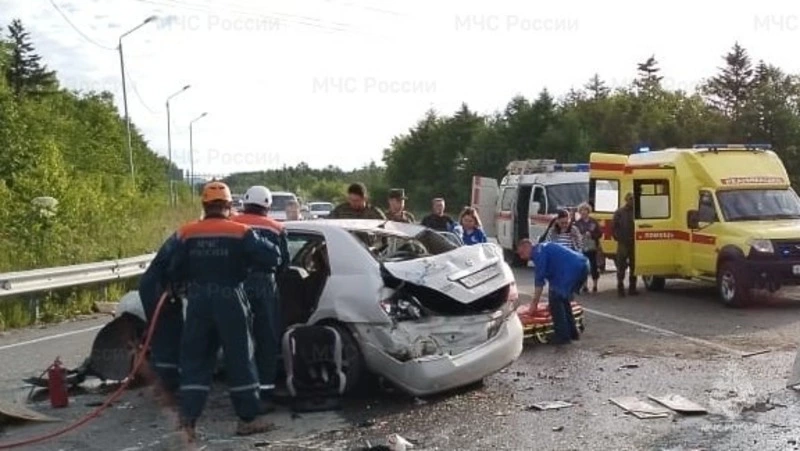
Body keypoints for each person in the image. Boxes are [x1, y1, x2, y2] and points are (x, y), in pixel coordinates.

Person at [166, 181, 282, 439]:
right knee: (240, 357)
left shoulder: (186, 233)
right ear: (229, 205)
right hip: (230, 298)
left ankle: (188, 422)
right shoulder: (240, 232)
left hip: (198, 301)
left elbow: (173, 267)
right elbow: (272, 257)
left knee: (195, 359)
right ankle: (247, 419)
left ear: (204, 205)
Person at [232, 185, 290, 412]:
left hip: (235, 285)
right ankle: (265, 393)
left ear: (245, 202)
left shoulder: (232, 223)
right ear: (268, 205)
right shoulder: (276, 228)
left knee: (239, 339)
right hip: (265, 284)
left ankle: (242, 393)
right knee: (266, 337)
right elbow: (284, 262)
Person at [138, 233, 182, 407]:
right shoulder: (192, 237)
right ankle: (166, 387)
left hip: (161, 286)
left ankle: (168, 384)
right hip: (159, 288)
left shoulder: (189, 234)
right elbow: (177, 267)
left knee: (172, 332)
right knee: (167, 334)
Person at [516, 239, 589, 345]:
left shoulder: (538, 253)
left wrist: (534, 305)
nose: (521, 257)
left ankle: (563, 337)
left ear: (527, 247)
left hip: (571, 270)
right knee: (563, 299)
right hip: (582, 264)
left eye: (521, 253)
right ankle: (573, 333)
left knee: (555, 299)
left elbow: (539, 283)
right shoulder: (543, 248)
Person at [613, 192, 637, 297]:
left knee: (634, 265)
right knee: (621, 266)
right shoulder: (619, 212)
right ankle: (620, 287)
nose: (632, 201)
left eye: (633, 199)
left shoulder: (637, 212)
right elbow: (614, 227)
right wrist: (618, 237)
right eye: (630, 199)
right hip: (623, 242)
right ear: (626, 200)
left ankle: (633, 288)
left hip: (635, 242)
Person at [574, 202, 602, 293]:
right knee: (583, 267)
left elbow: (600, 233)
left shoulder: (594, 222)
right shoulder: (577, 223)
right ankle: (584, 285)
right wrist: (580, 236)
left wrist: (592, 235)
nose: (583, 212)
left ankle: (595, 285)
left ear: (588, 211)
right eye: (581, 210)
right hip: (582, 247)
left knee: (594, 266)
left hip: (592, 247)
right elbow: (573, 235)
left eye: (585, 210)